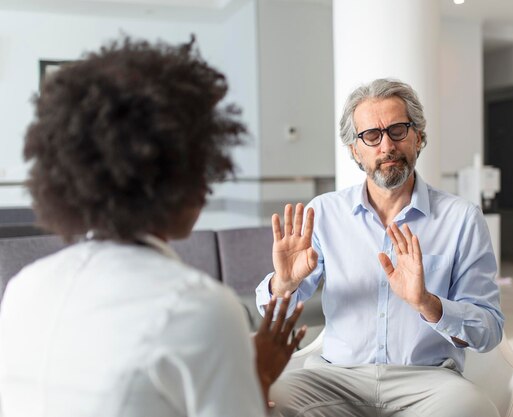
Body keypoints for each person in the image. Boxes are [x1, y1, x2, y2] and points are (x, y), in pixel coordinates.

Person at [0, 36, 306, 417]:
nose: (207, 184)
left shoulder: (24, 287)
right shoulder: (200, 309)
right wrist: (257, 376)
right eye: (200, 165)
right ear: (178, 176)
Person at [255, 78, 504, 417]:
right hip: (335, 378)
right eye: (371, 135)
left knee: (476, 411)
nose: (386, 145)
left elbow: (488, 330)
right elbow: (274, 316)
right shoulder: (325, 213)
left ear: (418, 136)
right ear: (355, 150)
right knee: (263, 401)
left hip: (428, 382)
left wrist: (427, 303)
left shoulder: (462, 219)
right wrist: (284, 284)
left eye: (398, 130)